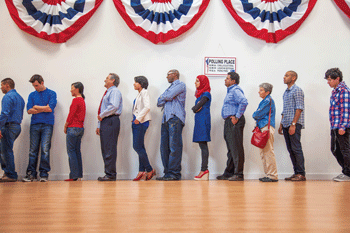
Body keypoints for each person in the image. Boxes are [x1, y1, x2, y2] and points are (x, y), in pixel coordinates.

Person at [22, 75, 57, 182]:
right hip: (35, 124)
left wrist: (36, 107)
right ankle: (31, 174)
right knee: (33, 150)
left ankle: (44, 174)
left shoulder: (51, 93)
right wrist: (43, 108)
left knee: (45, 150)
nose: (35, 88)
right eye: (34, 86)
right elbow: (29, 110)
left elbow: (50, 108)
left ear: (42, 83)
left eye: (36, 85)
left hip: (47, 124)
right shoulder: (32, 95)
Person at [217, 71, 248, 181]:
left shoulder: (235, 90)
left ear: (233, 81)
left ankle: (239, 174)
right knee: (231, 148)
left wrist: (237, 117)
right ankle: (229, 172)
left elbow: (244, 102)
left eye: (227, 78)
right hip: (229, 121)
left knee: (236, 148)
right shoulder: (230, 91)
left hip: (234, 121)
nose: (225, 80)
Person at [156, 69, 186, 181]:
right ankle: (167, 173)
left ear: (174, 74)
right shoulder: (169, 88)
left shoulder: (180, 85)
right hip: (165, 119)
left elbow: (168, 96)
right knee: (164, 147)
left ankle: (174, 173)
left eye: (168, 74)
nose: (166, 77)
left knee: (174, 147)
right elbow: (159, 102)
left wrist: (166, 96)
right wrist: (166, 96)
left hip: (175, 118)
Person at [278, 71, 306, 181]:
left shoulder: (297, 90)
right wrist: (281, 124)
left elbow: (299, 108)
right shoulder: (286, 92)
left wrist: (293, 124)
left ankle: (301, 173)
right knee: (290, 149)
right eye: (284, 75)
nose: (284, 77)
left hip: (294, 124)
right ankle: (296, 173)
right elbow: (285, 109)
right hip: (286, 123)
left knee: (296, 148)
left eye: (287, 75)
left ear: (293, 78)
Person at [96, 73, 122, 181]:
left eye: (107, 78)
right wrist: (99, 124)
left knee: (109, 148)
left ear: (113, 80)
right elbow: (103, 109)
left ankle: (111, 174)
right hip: (106, 121)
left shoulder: (114, 91)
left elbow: (114, 106)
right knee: (106, 148)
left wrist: (101, 116)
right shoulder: (108, 92)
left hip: (111, 120)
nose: (105, 80)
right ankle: (108, 173)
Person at [325, 68, 350, 182]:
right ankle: (346, 171)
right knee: (335, 149)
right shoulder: (335, 91)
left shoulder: (344, 91)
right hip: (334, 126)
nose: (328, 82)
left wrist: (342, 126)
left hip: (341, 126)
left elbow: (346, 110)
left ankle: (348, 173)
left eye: (330, 79)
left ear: (337, 79)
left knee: (345, 150)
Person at [0, 78, 25, 182]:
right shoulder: (20, 98)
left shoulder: (7, 97)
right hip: (17, 127)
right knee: (6, 149)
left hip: (8, 126)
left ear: (7, 85)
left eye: (1, 85)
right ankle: (9, 173)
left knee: (5, 150)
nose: (1, 87)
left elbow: (5, 113)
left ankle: (10, 174)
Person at [132, 76, 156, 181]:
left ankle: (149, 169)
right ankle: (141, 171)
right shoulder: (139, 94)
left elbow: (147, 107)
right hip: (137, 122)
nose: (134, 84)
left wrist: (138, 118)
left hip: (141, 122)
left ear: (141, 83)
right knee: (140, 147)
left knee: (137, 146)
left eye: (135, 82)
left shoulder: (144, 92)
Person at [252, 83, 278, 182]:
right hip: (263, 127)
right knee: (264, 152)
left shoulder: (267, 101)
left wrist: (255, 113)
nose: (259, 92)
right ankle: (268, 174)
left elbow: (257, 114)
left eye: (261, 90)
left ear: (267, 92)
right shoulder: (264, 101)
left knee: (268, 151)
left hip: (266, 127)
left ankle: (272, 175)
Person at [64, 82, 86, 181]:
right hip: (80, 128)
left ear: (77, 89)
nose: (71, 90)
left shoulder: (76, 100)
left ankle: (73, 175)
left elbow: (71, 114)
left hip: (73, 128)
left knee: (71, 152)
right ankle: (78, 174)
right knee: (77, 152)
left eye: (72, 88)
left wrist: (65, 125)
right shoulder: (82, 100)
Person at [192, 75, 211, 181]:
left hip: (203, 121)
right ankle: (203, 170)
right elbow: (196, 108)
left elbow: (195, 108)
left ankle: (204, 170)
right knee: (201, 145)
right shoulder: (199, 95)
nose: (195, 83)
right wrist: (196, 108)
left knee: (203, 145)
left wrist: (195, 108)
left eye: (198, 81)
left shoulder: (206, 94)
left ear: (203, 83)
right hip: (199, 121)